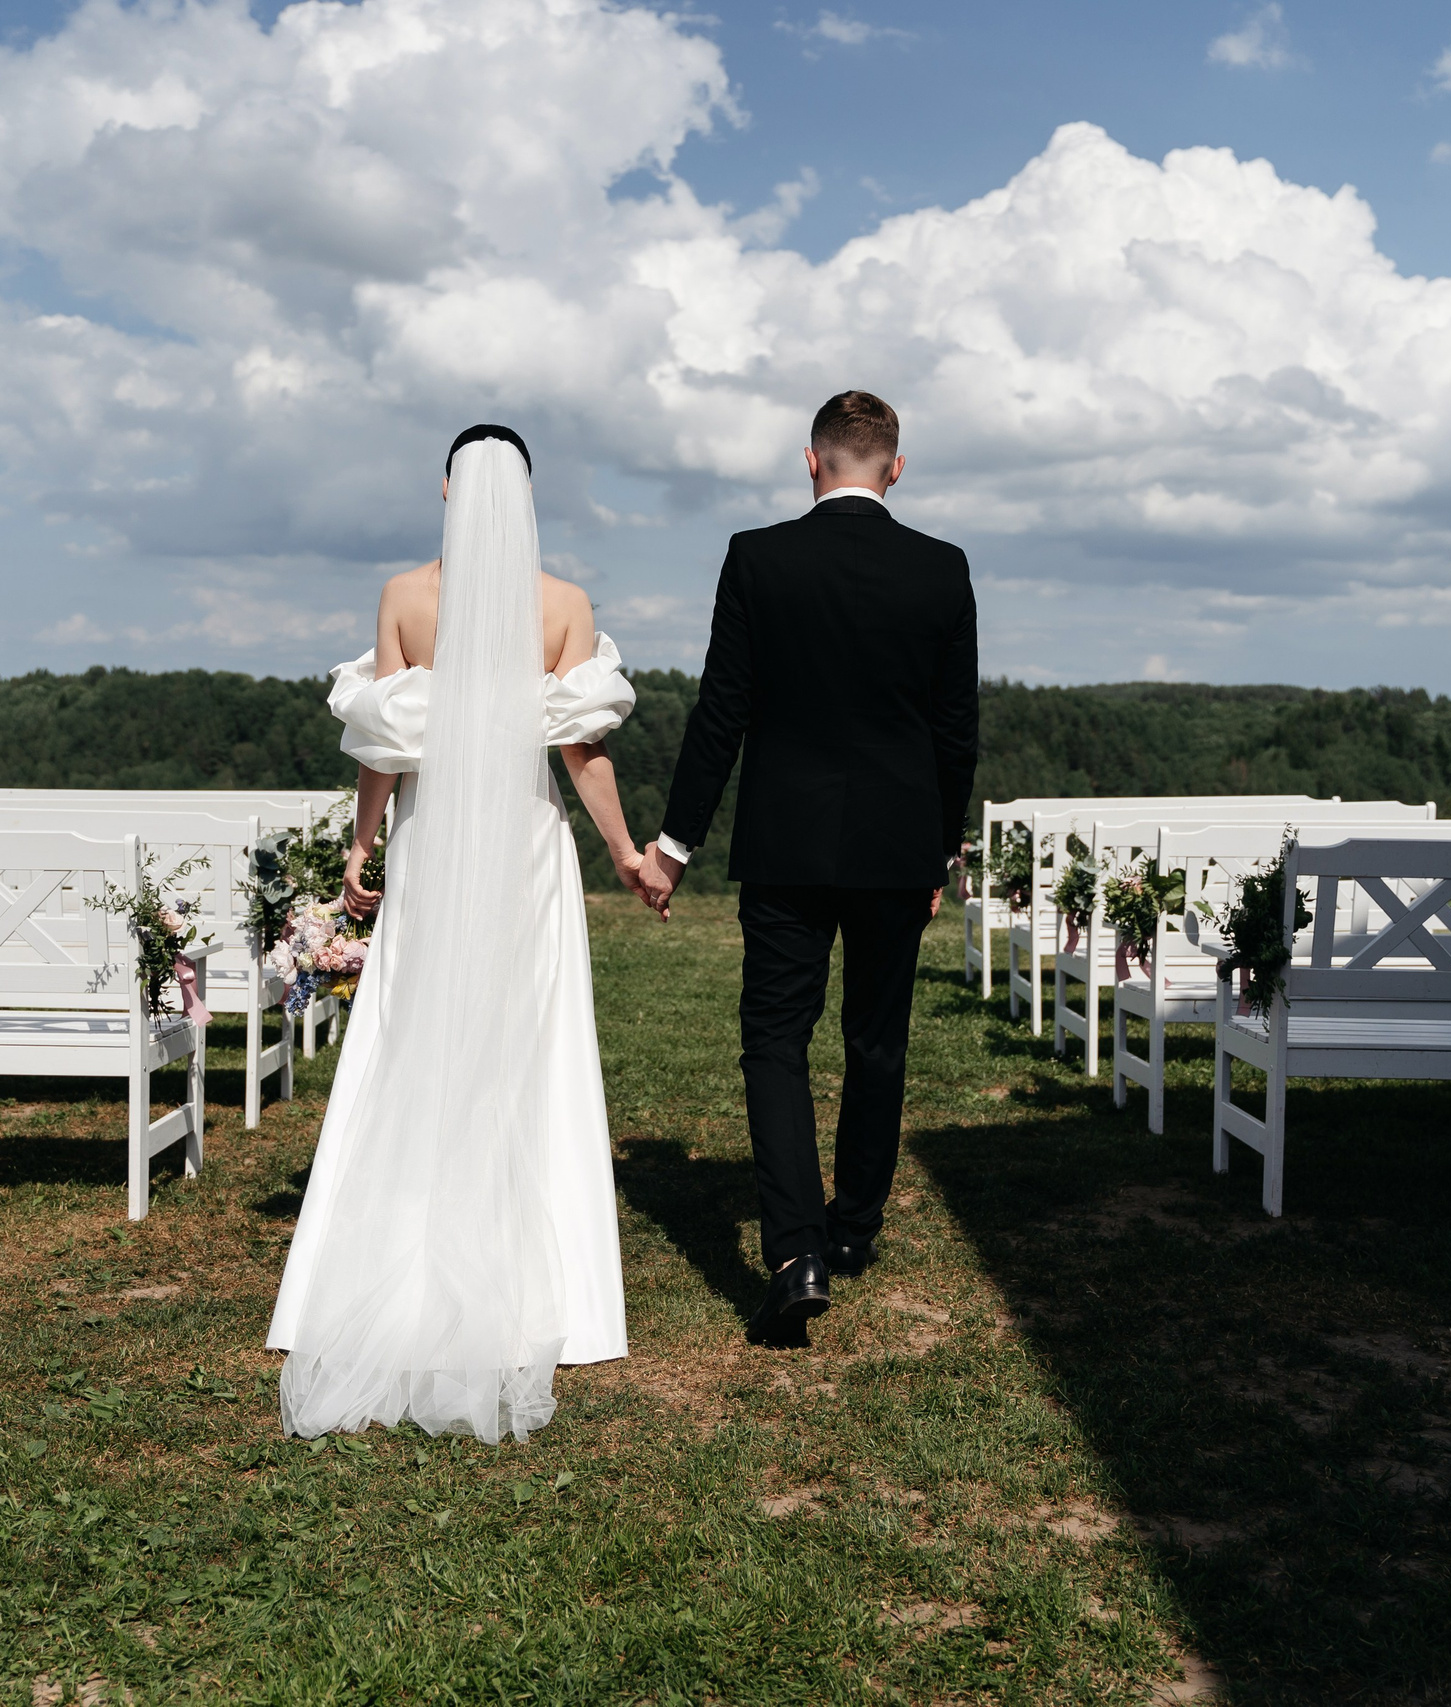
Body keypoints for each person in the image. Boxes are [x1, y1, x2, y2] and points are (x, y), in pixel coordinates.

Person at [267, 424, 648, 1442]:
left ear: (446, 488)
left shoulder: (405, 597)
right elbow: (583, 753)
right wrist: (622, 851)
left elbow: (385, 744)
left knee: (417, 1033)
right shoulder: (563, 605)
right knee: (531, 1036)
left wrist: (362, 849)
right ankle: (544, 1283)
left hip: (434, 842)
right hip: (524, 845)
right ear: (525, 497)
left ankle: (393, 1261)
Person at [636, 391, 979, 1347]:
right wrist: (941, 845)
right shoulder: (942, 569)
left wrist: (673, 845)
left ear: (812, 461)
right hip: (896, 847)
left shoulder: (758, 557)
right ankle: (856, 1225)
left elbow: (721, 713)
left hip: (786, 843)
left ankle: (796, 1250)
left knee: (776, 1039)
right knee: (878, 1038)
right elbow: (957, 733)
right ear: (895, 468)